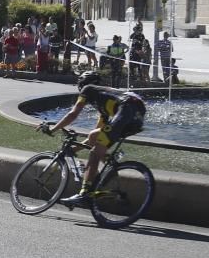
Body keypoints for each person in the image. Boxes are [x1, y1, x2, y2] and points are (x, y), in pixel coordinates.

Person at [39, 71, 146, 205]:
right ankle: (111, 174)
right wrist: (73, 149)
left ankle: (84, 194)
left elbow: (73, 114)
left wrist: (53, 129)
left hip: (127, 108)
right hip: (136, 115)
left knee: (95, 152)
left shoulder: (88, 89)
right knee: (96, 138)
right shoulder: (105, 105)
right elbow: (93, 137)